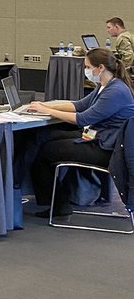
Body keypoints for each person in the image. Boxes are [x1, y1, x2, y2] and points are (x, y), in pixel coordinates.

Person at [26, 48, 134, 216]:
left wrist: (49, 111)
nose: (86, 71)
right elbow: (79, 105)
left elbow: (83, 118)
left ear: (100, 68)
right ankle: (57, 199)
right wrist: (44, 106)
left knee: (45, 152)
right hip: (99, 139)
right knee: (44, 138)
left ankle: (59, 204)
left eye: (88, 67)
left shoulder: (115, 92)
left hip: (107, 149)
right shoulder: (105, 86)